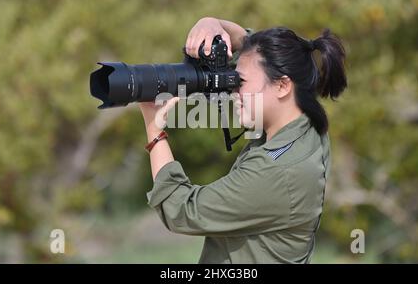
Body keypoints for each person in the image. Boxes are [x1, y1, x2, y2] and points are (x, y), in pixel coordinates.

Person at [139, 17, 347, 263]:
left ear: (282, 85)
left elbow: (181, 211)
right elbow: (256, 49)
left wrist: (155, 130)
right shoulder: (306, 124)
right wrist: (213, 24)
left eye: (241, 82)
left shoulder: (277, 170)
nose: (232, 90)